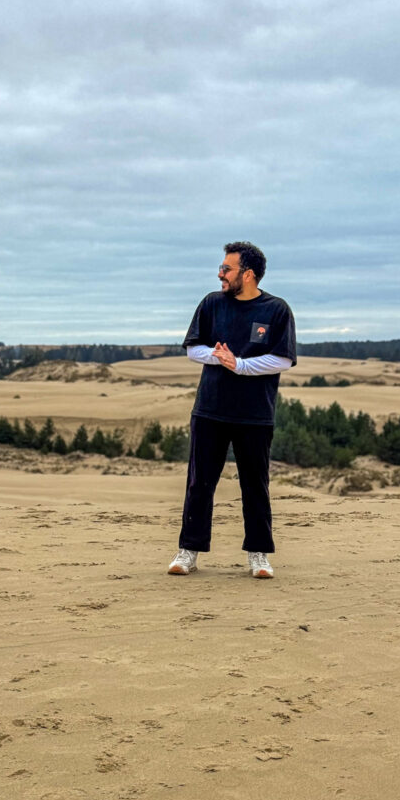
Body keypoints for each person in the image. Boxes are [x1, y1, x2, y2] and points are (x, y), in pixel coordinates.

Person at [168, 241, 296, 579]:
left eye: (227, 269)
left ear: (248, 274)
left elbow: (281, 359)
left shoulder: (276, 310)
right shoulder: (212, 304)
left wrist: (238, 364)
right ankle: (188, 551)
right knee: (199, 483)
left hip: (255, 414)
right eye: (221, 268)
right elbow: (193, 349)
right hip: (210, 410)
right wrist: (218, 357)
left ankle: (259, 555)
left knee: (255, 485)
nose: (220, 274)